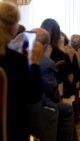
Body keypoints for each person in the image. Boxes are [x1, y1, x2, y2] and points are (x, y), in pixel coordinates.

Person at [0, 2, 43, 141]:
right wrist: (35, 63)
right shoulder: (16, 61)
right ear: (14, 29)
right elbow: (33, 96)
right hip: (11, 131)